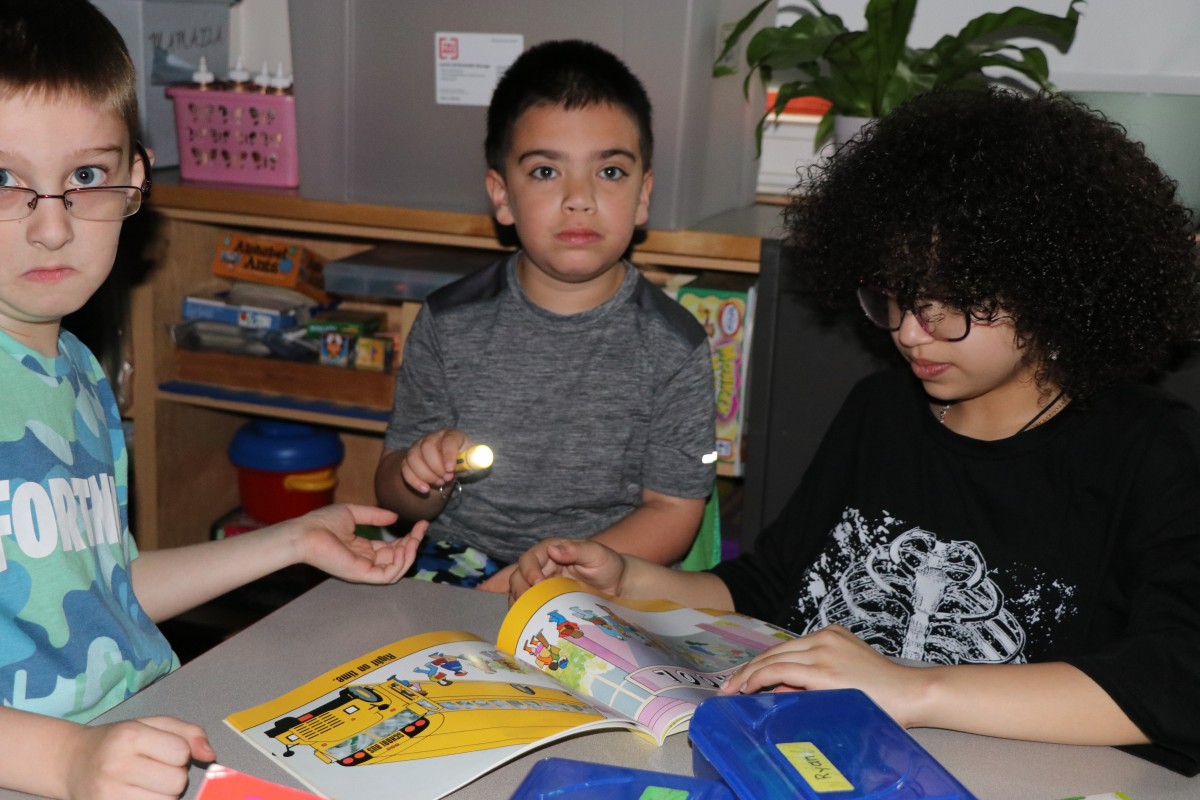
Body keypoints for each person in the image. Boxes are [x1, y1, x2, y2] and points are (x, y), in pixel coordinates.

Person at [512, 88, 1200, 774]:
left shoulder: (1150, 453)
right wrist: (628, 578)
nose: (907, 332)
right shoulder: (882, 410)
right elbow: (769, 589)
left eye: (948, 306)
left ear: (1051, 287)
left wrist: (910, 688)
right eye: (896, 297)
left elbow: (1176, 683)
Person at [0, 3, 427, 797]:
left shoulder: (81, 374)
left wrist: (291, 542)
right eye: (3, 179)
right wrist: (66, 761)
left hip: (132, 737)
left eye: (86, 177)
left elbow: (103, 590)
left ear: (138, 177)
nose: (53, 228)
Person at [374, 40, 716, 593]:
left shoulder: (675, 345)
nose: (578, 198)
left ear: (643, 194)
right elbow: (391, 490)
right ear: (501, 196)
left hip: (601, 570)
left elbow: (674, 514)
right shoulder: (448, 320)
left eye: (608, 171)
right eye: (544, 172)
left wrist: (555, 571)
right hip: (454, 559)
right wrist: (419, 471)